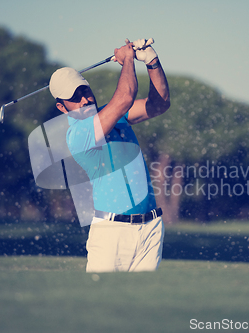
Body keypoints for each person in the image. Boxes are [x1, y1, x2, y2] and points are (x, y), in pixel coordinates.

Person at [48, 39, 171, 272]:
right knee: (98, 305)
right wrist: (126, 60)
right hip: (111, 232)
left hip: (151, 227)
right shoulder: (78, 134)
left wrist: (152, 62)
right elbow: (124, 98)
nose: (84, 99)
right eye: (74, 98)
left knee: (141, 306)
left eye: (85, 91)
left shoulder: (113, 115)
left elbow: (160, 104)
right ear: (62, 108)